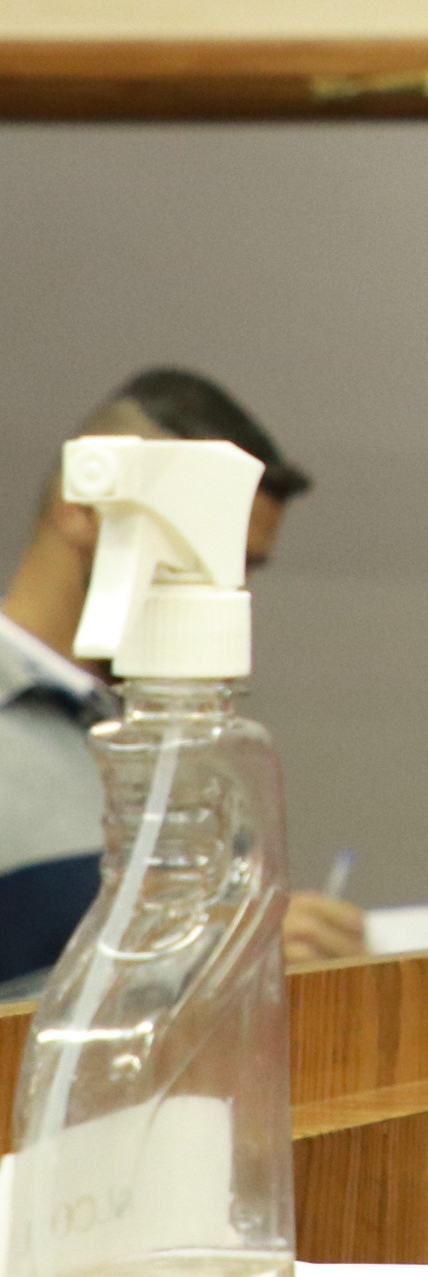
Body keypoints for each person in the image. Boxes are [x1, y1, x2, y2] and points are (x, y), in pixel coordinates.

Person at [2, 368, 369, 988]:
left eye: (242, 566)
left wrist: (262, 954)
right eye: (194, 554)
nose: (225, 589)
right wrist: (216, 967)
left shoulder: (198, 745)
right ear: (82, 510)